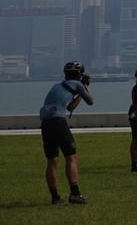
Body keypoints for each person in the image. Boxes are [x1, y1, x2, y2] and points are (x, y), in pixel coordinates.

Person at [39, 61, 94, 205]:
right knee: (71, 157)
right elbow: (91, 101)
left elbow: (70, 106)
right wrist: (86, 86)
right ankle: (75, 194)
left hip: (46, 123)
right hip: (58, 122)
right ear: (80, 75)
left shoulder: (57, 86)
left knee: (52, 161)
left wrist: (79, 94)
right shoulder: (78, 84)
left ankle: (55, 197)